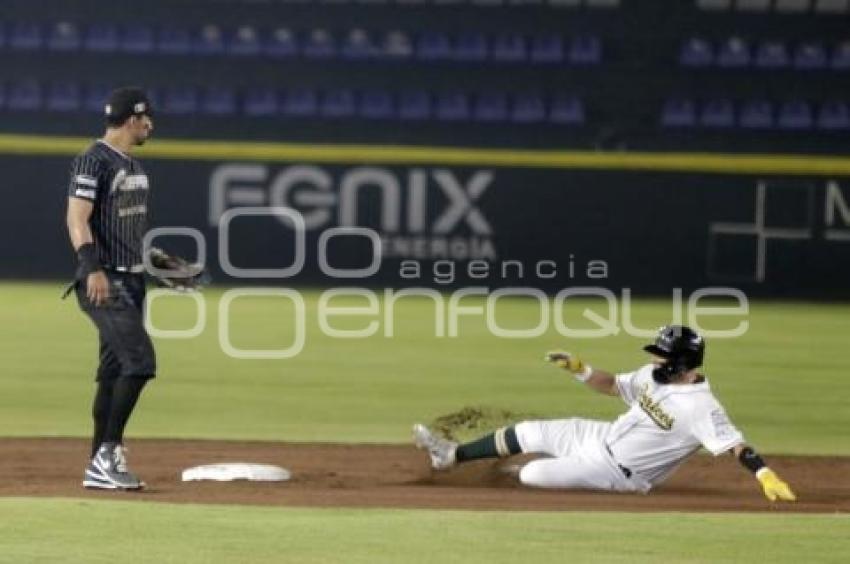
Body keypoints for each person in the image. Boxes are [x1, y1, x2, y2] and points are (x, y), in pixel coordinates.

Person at [413, 325, 796, 502]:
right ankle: (450, 457)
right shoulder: (653, 375)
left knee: (531, 473)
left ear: (682, 362)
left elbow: (735, 445)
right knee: (529, 431)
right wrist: (580, 368)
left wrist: (765, 475)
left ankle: (534, 474)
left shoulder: (702, 408)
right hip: (598, 437)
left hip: (618, 474)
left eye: (661, 354)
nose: (653, 358)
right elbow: (613, 385)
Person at [65, 86, 156, 490]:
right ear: (131, 119)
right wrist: (91, 268)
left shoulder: (132, 165)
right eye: (145, 118)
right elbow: (76, 219)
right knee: (140, 361)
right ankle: (108, 454)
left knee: (113, 370)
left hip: (132, 278)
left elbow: (126, 229)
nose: (150, 124)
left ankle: (98, 462)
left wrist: (157, 261)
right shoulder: (93, 160)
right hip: (106, 280)